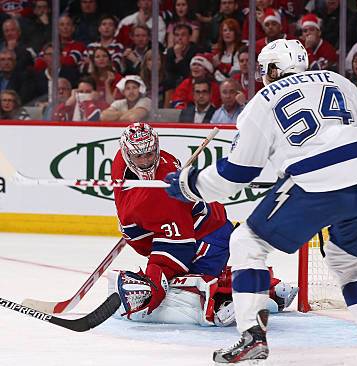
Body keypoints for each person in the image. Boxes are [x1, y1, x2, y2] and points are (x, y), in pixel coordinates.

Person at [164, 39, 357, 366]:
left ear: (271, 70)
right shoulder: (335, 79)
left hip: (318, 182)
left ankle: (252, 339)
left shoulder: (263, 100)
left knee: (247, 242)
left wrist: (191, 185)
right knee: (349, 264)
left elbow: (236, 175)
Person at [110, 122, 297, 327]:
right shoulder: (121, 163)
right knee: (184, 278)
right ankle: (272, 287)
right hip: (196, 228)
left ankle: (234, 300)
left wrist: (156, 275)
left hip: (207, 238)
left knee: (189, 287)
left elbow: (179, 247)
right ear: (127, 154)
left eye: (150, 154)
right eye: (139, 156)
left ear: (156, 148)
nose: (146, 161)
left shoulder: (163, 196)